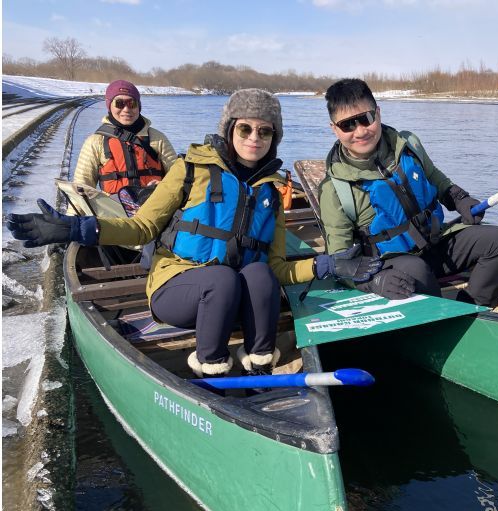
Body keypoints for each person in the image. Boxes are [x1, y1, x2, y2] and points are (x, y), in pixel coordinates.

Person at [9, 89, 381, 380]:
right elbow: (142, 226)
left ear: (274, 138)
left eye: (265, 131)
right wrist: (80, 228)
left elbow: (278, 268)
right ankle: (209, 366)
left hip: (232, 300)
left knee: (259, 273)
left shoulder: (269, 191)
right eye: (245, 128)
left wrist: (325, 265)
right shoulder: (189, 170)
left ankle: (258, 366)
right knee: (220, 278)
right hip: (178, 293)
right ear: (229, 128)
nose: (255, 137)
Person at [318, 78, 498, 306]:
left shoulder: (408, 145)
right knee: (416, 270)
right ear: (334, 129)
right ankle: (439, 324)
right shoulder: (334, 189)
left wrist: (459, 198)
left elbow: (435, 178)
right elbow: (340, 261)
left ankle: (470, 310)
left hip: (434, 243)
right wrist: (375, 281)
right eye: (347, 125)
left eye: (367, 118)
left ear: (378, 114)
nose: (360, 131)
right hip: (390, 264)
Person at [73, 79, 178, 201]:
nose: (126, 109)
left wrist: (162, 186)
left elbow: (178, 178)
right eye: (119, 103)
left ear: (139, 106)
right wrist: (72, 218)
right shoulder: (95, 142)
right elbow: (81, 186)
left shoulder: (158, 138)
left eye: (132, 103)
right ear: (109, 106)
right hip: (114, 212)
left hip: (154, 209)